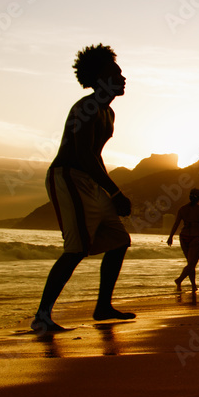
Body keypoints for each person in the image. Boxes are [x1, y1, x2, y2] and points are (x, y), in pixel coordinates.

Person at [32, 44, 135, 333]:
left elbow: (96, 157)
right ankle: (42, 316)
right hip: (67, 177)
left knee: (118, 240)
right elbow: (83, 155)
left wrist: (110, 192)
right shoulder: (87, 108)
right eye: (116, 73)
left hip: (88, 180)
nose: (123, 77)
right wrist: (114, 193)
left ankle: (103, 307)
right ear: (100, 77)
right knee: (76, 249)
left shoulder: (108, 115)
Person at [167, 188, 199, 292]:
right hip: (195, 237)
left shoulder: (182, 209)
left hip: (183, 236)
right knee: (192, 263)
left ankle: (193, 285)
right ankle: (179, 280)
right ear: (198, 198)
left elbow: (176, 224)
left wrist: (171, 236)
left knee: (190, 263)